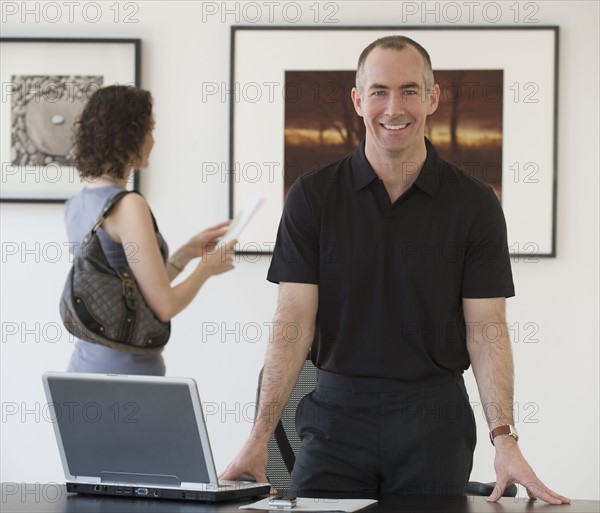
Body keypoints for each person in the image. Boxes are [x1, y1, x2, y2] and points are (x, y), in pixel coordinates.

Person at [221, 36, 569, 504]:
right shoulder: (312, 197)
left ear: (432, 97)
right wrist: (259, 435)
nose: (393, 108)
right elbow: (292, 321)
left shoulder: (474, 204)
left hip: (435, 422)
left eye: (409, 90)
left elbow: (486, 328)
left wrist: (504, 439)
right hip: (335, 419)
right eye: (380, 91)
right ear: (358, 99)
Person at [65, 85, 236, 376]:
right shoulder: (129, 205)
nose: (153, 140)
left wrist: (186, 253)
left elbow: (128, 292)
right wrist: (207, 268)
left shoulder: (77, 203)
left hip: (84, 368)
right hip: (127, 376)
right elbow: (164, 306)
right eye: (149, 129)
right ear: (128, 135)